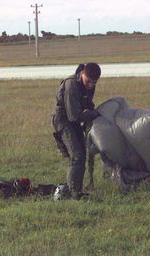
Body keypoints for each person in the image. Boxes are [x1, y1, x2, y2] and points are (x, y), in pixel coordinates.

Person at [51, 63, 101, 200]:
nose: (90, 85)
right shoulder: (71, 84)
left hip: (74, 122)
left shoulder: (90, 85)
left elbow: (88, 105)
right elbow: (74, 115)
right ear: (82, 74)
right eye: (88, 82)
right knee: (77, 155)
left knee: (82, 154)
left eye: (94, 83)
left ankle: (75, 190)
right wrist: (93, 114)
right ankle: (74, 193)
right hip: (63, 121)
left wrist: (91, 116)